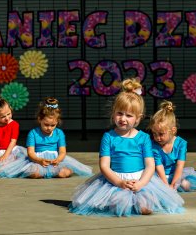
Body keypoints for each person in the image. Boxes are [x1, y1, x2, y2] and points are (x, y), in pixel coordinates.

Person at [69, 78, 184, 217]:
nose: (123, 118)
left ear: (138, 118)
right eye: (119, 113)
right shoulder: (109, 137)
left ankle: (141, 201)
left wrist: (141, 184)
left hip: (141, 180)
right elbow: (104, 166)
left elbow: (150, 165)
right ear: (113, 113)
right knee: (118, 206)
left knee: (145, 208)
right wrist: (119, 182)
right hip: (115, 181)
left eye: (129, 115)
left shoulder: (144, 138)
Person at [0, 97, 92, 178]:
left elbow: (62, 151)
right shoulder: (33, 133)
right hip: (37, 159)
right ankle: (44, 172)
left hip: (55, 159)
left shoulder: (59, 133)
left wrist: (58, 160)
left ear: (57, 122)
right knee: (35, 173)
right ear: (40, 119)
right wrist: (39, 160)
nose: (49, 128)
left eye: (53, 125)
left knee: (64, 173)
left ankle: (59, 171)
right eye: (46, 124)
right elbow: (30, 153)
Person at [149, 100, 196, 192]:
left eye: (161, 134)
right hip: (159, 175)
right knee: (152, 186)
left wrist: (173, 184)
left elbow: (179, 165)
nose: (157, 138)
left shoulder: (181, 144)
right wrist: (166, 185)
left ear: (173, 130)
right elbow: (159, 167)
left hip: (176, 174)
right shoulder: (154, 146)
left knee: (185, 185)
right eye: (154, 134)